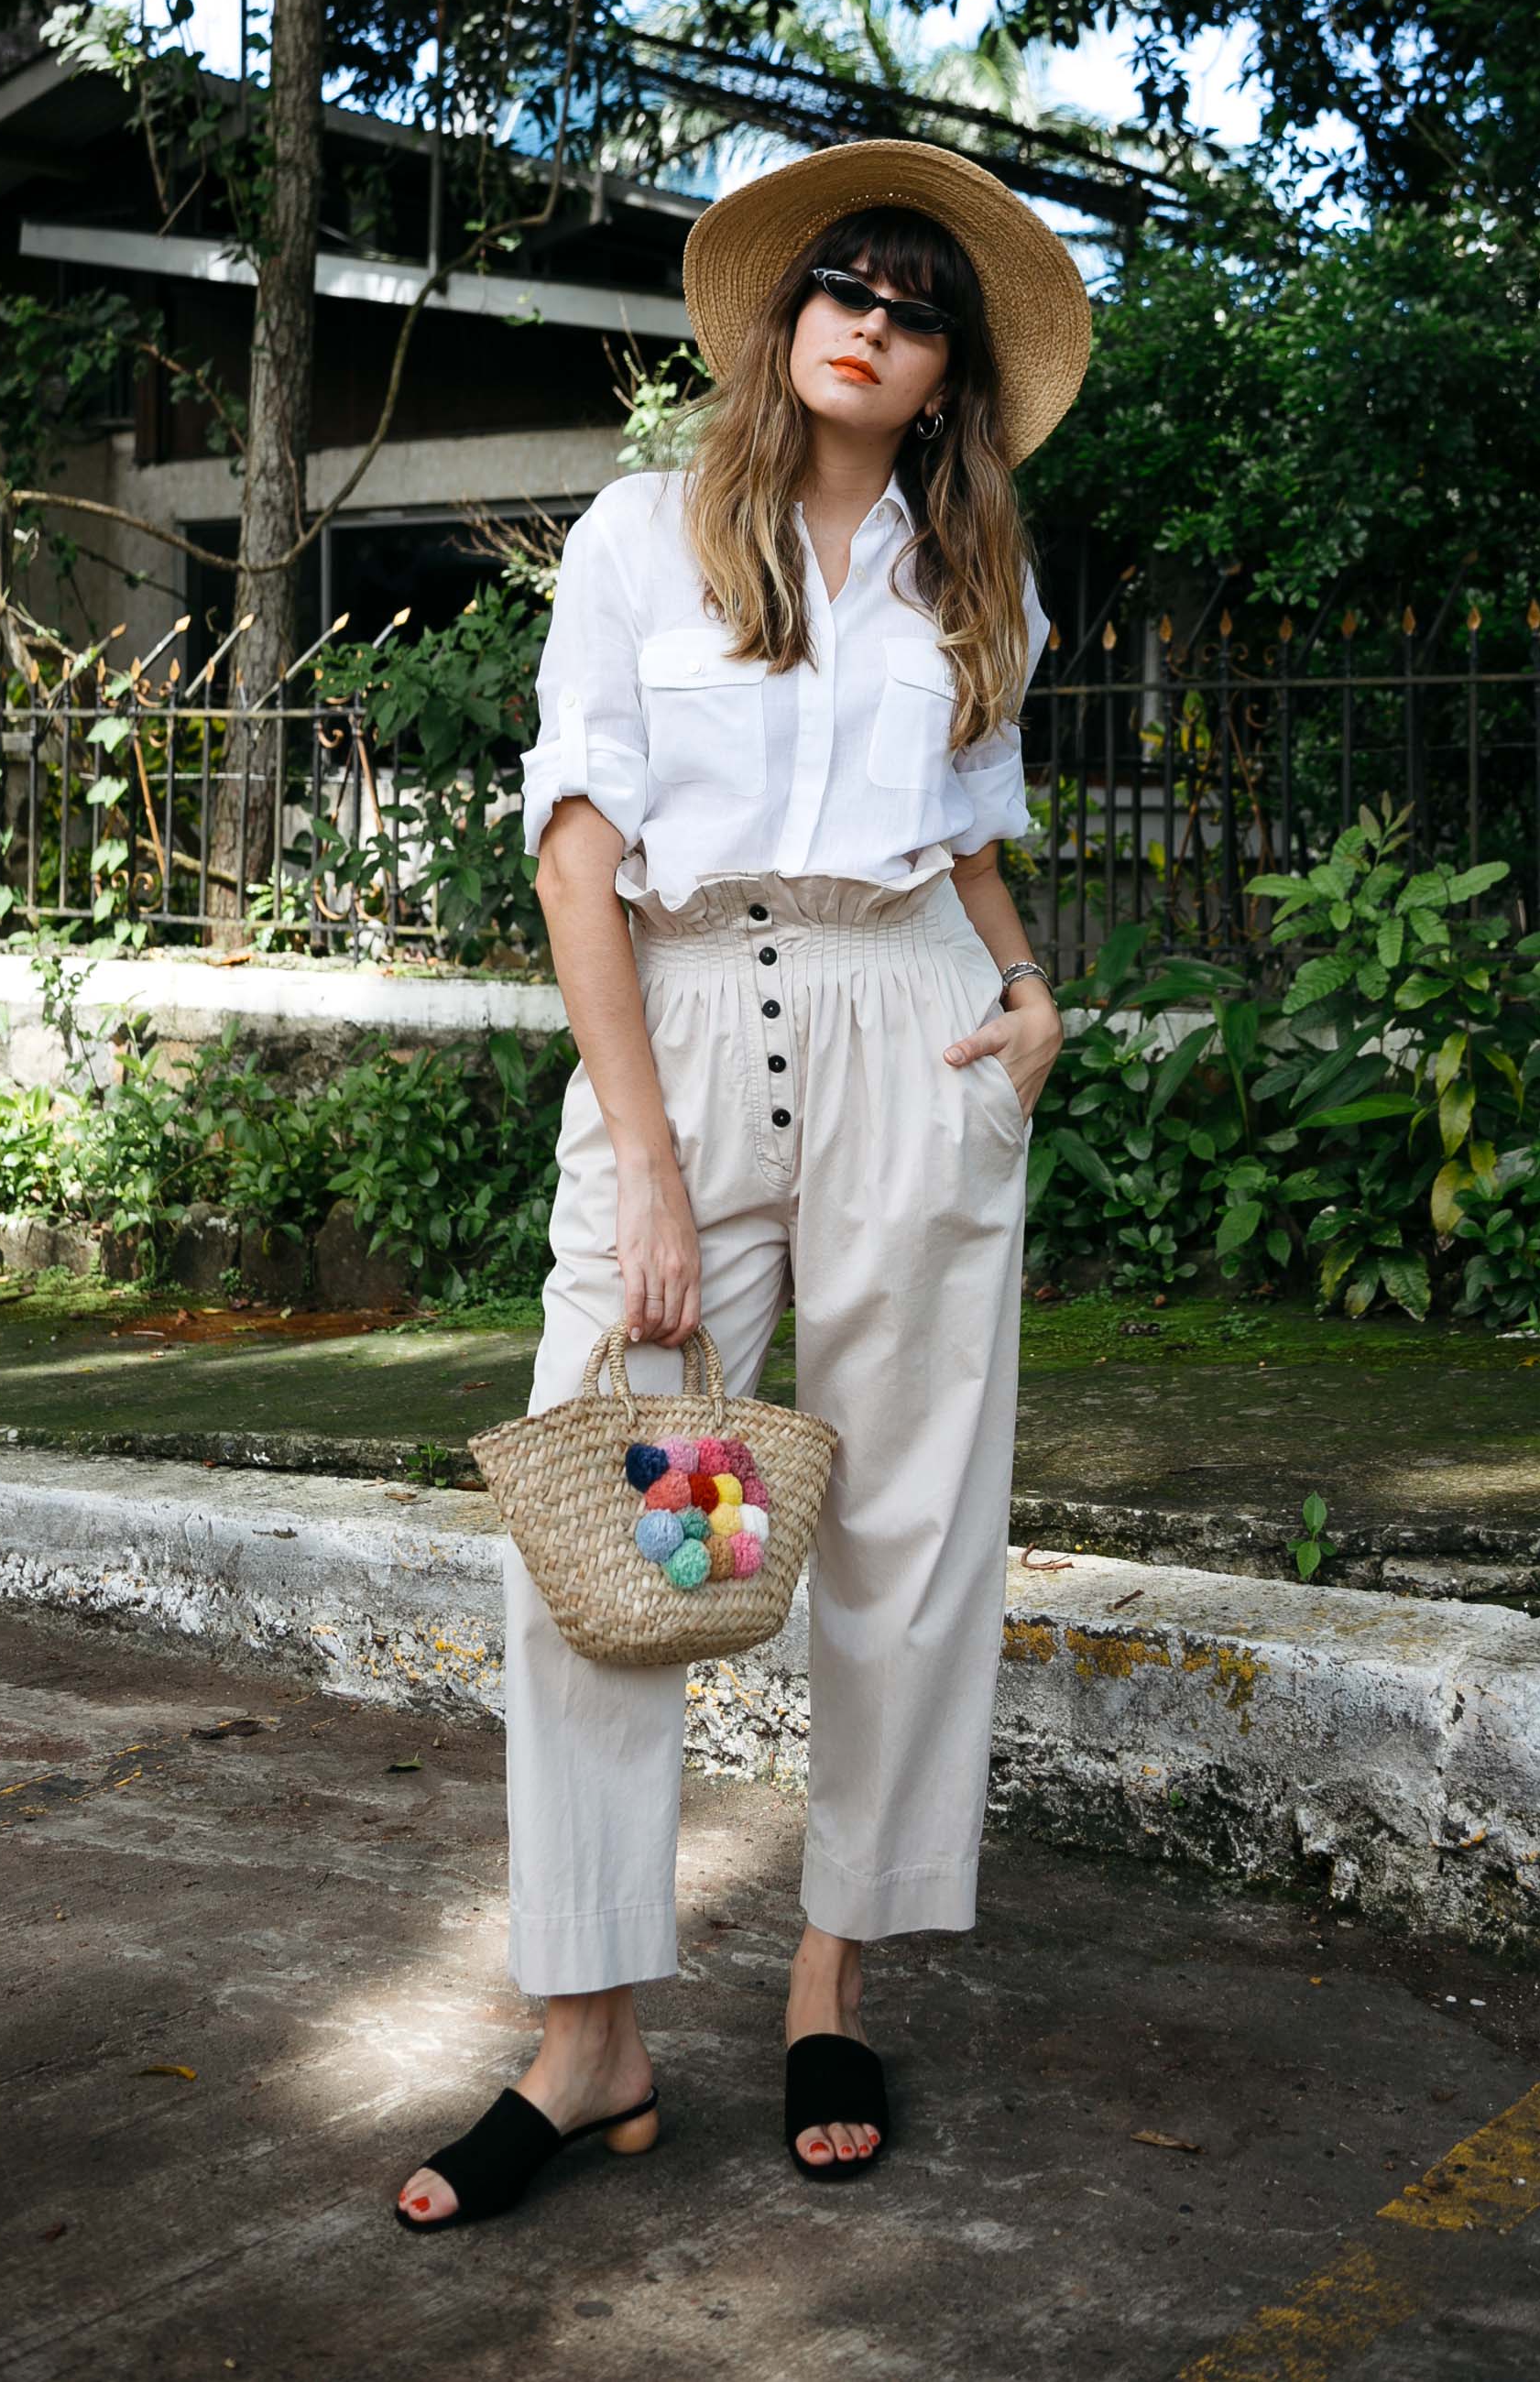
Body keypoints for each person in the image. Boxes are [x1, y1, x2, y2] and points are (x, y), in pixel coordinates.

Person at [396, 137, 1090, 2228]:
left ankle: (826, 1982)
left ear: (949, 367)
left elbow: (968, 831)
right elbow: (577, 850)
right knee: (611, 1535)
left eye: (915, 303)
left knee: (902, 1528)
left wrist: (1030, 985)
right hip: (684, 1036)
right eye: (843, 288)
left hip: (916, 1029)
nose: (871, 319)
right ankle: (587, 2036)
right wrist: (649, 1166)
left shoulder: (975, 579)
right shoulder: (639, 539)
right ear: (784, 329)